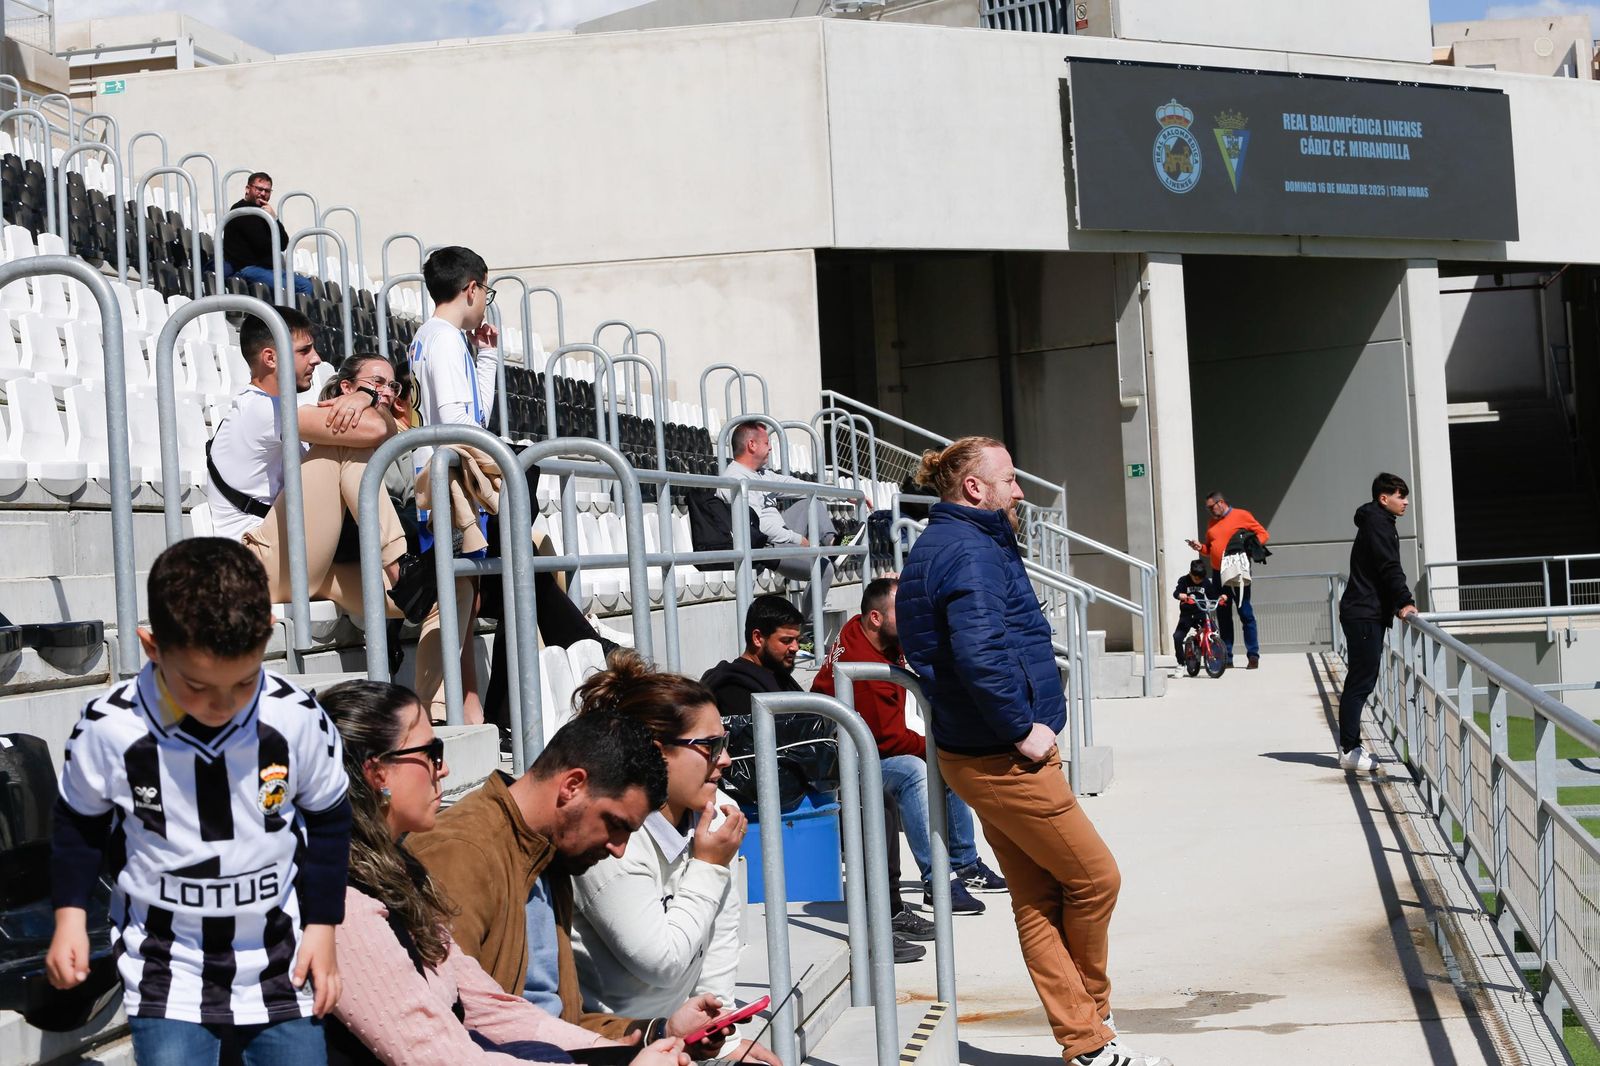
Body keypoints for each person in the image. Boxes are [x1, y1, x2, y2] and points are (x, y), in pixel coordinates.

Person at [896, 437, 1170, 1066]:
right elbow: (977, 652)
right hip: (1002, 755)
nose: (1020, 491)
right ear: (974, 488)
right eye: (1010, 479)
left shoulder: (961, 542)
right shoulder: (967, 550)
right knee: (1096, 878)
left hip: (981, 751)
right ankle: (1093, 1020)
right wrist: (1023, 727)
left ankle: (1087, 1042)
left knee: (1038, 896)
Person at [46, 538, 352, 1066]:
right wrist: (70, 916)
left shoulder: (296, 716)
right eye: (196, 685)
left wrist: (323, 928)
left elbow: (329, 820)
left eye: (244, 681)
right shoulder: (109, 727)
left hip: (280, 961)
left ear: (267, 641)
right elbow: (79, 824)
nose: (223, 704)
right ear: (151, 647)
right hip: (165, 967)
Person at [317, 679, 689, 1066]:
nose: (443, 769)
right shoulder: (344, 905)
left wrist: (630, 1051)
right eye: (430, 752)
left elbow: (488, 1007)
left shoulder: (401, 873)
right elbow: (440, 1055)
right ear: (377, 773)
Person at [407, 713, 731, 1055]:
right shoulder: (461, 853)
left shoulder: (551, 856)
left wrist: (658, 1031)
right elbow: (448, 1027)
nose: (618, 849)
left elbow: (559, 1022)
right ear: (572, 786)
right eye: (614, 824)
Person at [565, 653, 782, 1066]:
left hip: (678, 1038)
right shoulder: (611, 835)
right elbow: (660, 963)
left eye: (726, 743)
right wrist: (709, 866)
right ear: (656, 752)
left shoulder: (716, 811)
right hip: (611, 1044)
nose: (726, 760)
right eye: (710, 746)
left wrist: (722, 1041)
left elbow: (720, 933)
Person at [811, 578, 1003, 923]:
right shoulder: (863, 667)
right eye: (902, 611)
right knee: (918, 769)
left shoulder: (872, 633)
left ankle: (965, 863)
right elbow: (889, 741)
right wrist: (940, 744)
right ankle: (937, 881)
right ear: (875, 618)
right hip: (841, 763)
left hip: (864, 746)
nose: (912, 617)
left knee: (940, 757)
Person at [408, 245, 500, 725]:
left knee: (462, 609)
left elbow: (470, 415)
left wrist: (486, 358)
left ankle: (470, 713)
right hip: (448, 487)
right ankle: (433, 715)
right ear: (472, 289)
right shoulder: (442, 339)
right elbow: (461, 422)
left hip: (448, 481)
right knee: (451, 607)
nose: (487, 299)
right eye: (487, 289)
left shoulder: (436, 338)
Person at [717, 421, 836, 639]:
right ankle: (806, 633)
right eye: (766, 442)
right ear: (752, 445)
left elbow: (800, 487)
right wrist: (799, 539)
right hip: (765, 545)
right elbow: (759, 527)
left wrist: (841, 494)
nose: (770, 448)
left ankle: (833, 545)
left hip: (780, 534)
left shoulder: (762, 474)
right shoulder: (735, 478)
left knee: (812, 501)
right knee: (824, 569)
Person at [1336, 472, 1418, 773]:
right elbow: (1388, 567)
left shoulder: (1378, 522)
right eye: (1400, 495)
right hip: (1364, 614)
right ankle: (1349, 749)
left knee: (1360, 680)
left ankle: (1349, 746)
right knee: (1361, 682)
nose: (1406, 501)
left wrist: (1396, 603)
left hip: (1365, 611)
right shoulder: (1379, 524)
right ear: (1384, 498)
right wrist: (1405, 600)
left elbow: (1380, 569)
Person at [1185, 490, 1269, 669]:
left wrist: (1248, 546)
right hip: (1218, 573)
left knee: (1245, 612)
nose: (1210, 511)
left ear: (1221, 502)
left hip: (1237, 571)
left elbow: (1263, 534)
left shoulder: (1242, 515)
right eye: (1207, 508)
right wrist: (1200, 547)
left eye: (1211, 507)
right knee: (1223, 615)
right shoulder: (1211, 523)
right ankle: (1226, 656)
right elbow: (1209, 548)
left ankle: (1253, 656)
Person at [701, 595, 803, 717]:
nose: (795, 647)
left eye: (798, 640)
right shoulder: (734, 688)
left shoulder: (777, 674)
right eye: (786, 640)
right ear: (757, 638)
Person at [222, 172, 314, 297]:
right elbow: (262, 244)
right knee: (283, 287)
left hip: (269, 270)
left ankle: (295, 316)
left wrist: (274, 218)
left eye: (267, 191)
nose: (263, 194)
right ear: (248, 189)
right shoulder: (241, 210)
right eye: (259, 189)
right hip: (247, 269)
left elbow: (282, 244)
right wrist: (270, 222)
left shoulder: (265, 214)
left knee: (306, 285)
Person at [1170, 559, 1226, 666]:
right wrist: (1180, 595)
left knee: (1214, 632)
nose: (1198, 581)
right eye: (1196, 578)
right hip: (1187, 615)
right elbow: (1176, 593)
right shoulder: (1184, 580)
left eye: (1201, 578)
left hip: (1200, 613)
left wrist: (1220, 598)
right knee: (1177, 637)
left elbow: (1212, 596)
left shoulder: (1205, 582)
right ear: (1191, 573)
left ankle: (1214, 656)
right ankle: (1181, 664)